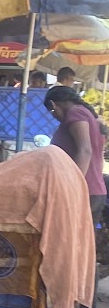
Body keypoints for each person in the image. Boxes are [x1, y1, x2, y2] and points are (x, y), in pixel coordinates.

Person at [44, 85, 107, 225]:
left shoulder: (75, 113)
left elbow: (85, 150)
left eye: (52, 112)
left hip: (84, 191)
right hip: (94, 189)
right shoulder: (88, 115)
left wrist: (73, 186)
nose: (54, 116)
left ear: (53, 105)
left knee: (69, 240)